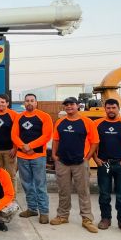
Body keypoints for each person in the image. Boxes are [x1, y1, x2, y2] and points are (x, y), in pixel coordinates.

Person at [50, 97, 100, 233]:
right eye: (66, 105)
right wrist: (54, 156)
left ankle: (87, 219)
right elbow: (55, 140)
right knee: (63, 191)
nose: (69, 107)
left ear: (78, 106)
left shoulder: (87, 122)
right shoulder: (60, 122)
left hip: (80, 163)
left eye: (71, 104)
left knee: (83, 191)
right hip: (62, 163)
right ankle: (62, 216)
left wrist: (87, 158)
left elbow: (95, 141)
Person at [93, 98, 121, 234]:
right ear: (105, 109)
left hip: (120, 164)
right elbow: (93, 143)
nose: (111, 110)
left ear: (118, 109)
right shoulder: (97, 124)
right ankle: (105, 219)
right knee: (104, 194)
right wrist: (96, 159)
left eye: (113, 108)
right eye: (108, 108)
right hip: (104, 164)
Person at [11, 93, 53, 224]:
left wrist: (30, 146)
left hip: (38, 157)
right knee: (27, 184)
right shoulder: (19, 117)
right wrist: (23, 147)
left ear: (36, 103)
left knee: (40, 185)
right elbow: (14, 135)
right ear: (24, 103)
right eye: (27, 101)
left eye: (32, 101)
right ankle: (32, 208)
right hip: (22, 156)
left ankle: (44, 212)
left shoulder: (44, 116)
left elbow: (46, 136)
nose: (29, 103)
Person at [0, 93, 19, 188]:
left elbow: (17, 133)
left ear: (7, 103)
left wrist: (15, 148)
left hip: (9, 150)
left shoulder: (13, 114)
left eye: (3, 102)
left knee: (11, 176)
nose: (0, 104)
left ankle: (12, 199)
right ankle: (1, 196)